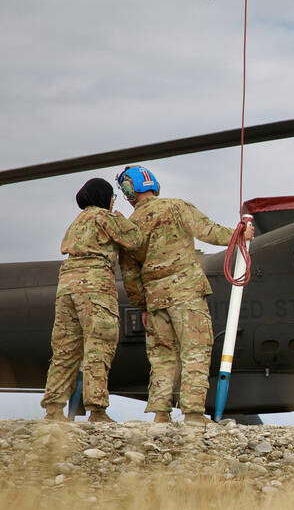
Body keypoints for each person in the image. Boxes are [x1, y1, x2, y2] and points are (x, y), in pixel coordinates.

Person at [117, 166, 253, 425]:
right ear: (153, 185)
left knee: (162, 356)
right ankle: (192, 413)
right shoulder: (176, 207)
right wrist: (239, 234)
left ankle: (160, 413)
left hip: (155, 300)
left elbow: (129, 273)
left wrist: (142, 306)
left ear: (129, 192)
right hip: (186, 294)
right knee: (195, 350)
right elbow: (208, 231)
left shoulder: (130, 227)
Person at [41, 179, 143, 422]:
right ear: (104, 197)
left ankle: (53, 409)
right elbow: (136, 240)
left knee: (66, 350)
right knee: (99, 344)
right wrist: (120, 217)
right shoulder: (103, 217)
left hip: (66, 284)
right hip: (94, 283)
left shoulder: (76, 222)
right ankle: (97, 410)